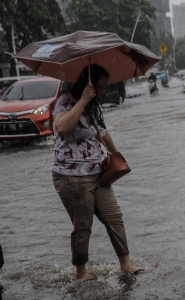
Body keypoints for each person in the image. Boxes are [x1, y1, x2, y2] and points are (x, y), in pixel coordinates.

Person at [52, 64, 146, 280]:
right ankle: (81, 272)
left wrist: (119, 157)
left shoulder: (94, 107)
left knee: (115, 218)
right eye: (100, 87)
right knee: (83, 226)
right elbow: (63, 127)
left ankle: (125, 264)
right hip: (71, 176)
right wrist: (83, 99)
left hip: (98, 174)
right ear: (88, 85)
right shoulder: (65, 101)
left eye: (105, 87)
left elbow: (103, 132)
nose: (104, 92)